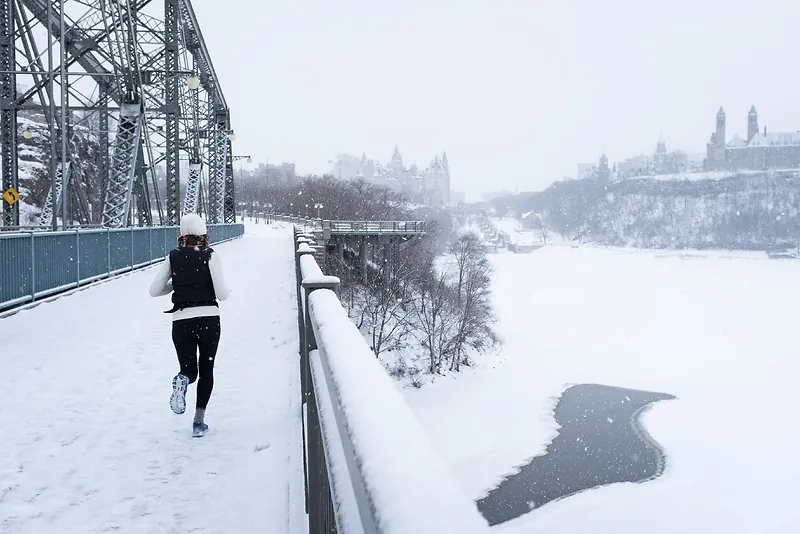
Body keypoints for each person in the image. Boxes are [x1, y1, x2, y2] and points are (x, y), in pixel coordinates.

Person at [149, 213, 231, 437]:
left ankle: (182, 380)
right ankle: (198, 422)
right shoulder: (210, 255)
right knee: (206, 370)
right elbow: (222, 294)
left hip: (181, 321)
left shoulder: (173, 256)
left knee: (189, 370)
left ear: (181, 234)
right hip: (208, 319)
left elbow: (154, 291)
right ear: (204, 233)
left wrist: (177, 284)